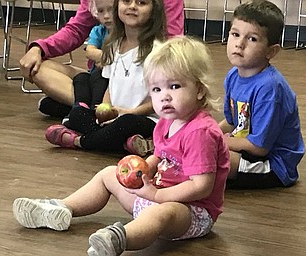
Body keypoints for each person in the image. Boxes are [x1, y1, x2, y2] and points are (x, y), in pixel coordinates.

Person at [13, 35, 230, 256]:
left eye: (174, 86)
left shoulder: (200, 132)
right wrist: (143, 170)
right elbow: (159, 155)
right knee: (108, 174)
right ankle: (61, 208)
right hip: (155, 194)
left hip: (192, 211)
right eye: (156, 89)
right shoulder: (167, 122)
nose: (164, 97)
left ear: (200, 90)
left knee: (163, 213)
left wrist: (157, 196)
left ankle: (118, 239)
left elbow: (201, 186)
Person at [19, 0, 184, 118]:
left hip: (143, 78)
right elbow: (76, 29)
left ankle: (83, 109)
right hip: (102, 76)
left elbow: (172, 42)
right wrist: (39, 48)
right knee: (39, 68)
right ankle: (93, 109)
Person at [45, 0, 167, 156]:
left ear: (153, 11)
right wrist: (104, 109)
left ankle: (78, 141)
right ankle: (127, 143)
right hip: (115, 117)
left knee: (126, 123)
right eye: (127, 1)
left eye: (141, 3)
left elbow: (160, 98)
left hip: (143, 118)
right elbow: (110, 85)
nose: (132, 6)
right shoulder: (114, 45)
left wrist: (130, 112)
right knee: (77, 114)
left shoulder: (158, 52)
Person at [219, 0, 305, 189]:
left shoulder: (270, 88)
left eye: (252, 39)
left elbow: (260, 147)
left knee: (211, 158)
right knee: (200, 148)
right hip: (247, 147)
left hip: (273, 164)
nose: (239, 44)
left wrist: (219, 141)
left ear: (271, 51)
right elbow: (232, 122)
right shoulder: (233, 75)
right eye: (235, 34)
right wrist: (208, 132)